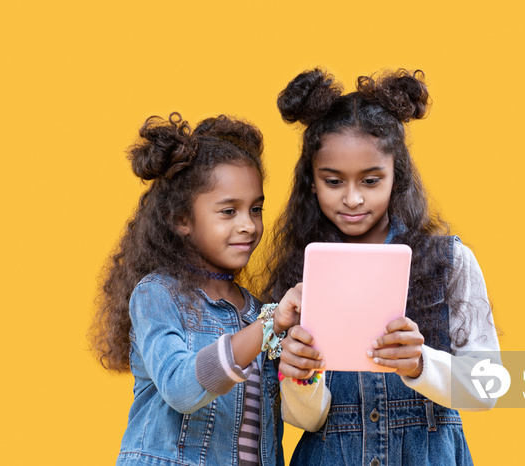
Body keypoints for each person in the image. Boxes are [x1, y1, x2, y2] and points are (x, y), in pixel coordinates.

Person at [263, 68, 501, 465]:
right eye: (334, 181)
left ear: (397, 177)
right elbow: (304, 418)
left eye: (371, 181)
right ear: (311, 182)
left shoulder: (449, 262)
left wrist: (421, 363)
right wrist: (301, 377)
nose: (352, 199)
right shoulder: (297, 275)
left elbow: (487, 387)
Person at [90, 112, 300, 466]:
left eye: (256, 209)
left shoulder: (255, 309)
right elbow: (181, 388)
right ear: (182, 219)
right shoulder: (157, 295)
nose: (248, 225)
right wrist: (269, 326)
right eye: (229, 211)